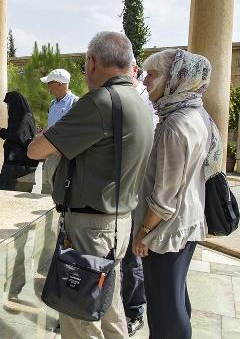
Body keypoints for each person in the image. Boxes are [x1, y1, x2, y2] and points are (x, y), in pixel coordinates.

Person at [28, 31, 154, 338]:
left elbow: (35, 150)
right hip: (118, 222)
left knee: (80, 318)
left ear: (92, 62)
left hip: (92, 225)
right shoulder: (138, 102)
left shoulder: (100, 102)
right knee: (108, 306)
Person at [132, 49, 221, 339]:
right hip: (186, 224)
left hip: (166, 232)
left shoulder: (174, 124)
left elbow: (165, 195)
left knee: (164, 311)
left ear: (177, 78)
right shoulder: (197, 114)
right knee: (175, 299)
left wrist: (144, 232)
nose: (146, 81)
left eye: (153, 75)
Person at [119, 59, 160, 336]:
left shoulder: (151, 104)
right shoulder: (119, 99)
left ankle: (135, 311)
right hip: (119, 191)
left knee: (133, 258)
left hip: (139, 192)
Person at [39, 69, 78, 194]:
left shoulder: (75, 102)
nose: (48, 87)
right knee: (51, 190)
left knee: (65, 192)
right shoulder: (52, 103)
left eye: (50, 83)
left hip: (65, 156)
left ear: (59, 84)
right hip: (51, 154)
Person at [0, 91, 39, 192]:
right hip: (14, 164)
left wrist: (1, 131)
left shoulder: (24, 116)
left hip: (19, 166)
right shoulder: (20, 116)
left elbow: (17, 135)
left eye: (9, 104)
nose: (8, 108)